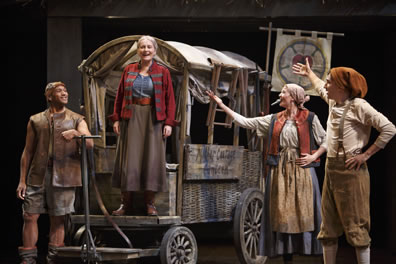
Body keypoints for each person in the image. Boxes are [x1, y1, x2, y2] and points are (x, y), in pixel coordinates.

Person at [207, 83, 327, 263]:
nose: (280, 95)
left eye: (284, 92)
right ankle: (287, 256)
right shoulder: (273, 119)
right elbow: (246, 122)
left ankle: (308, 250)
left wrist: (314, 156)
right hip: (279, 170)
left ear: (293, 97)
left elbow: (326, 141)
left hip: (302, 171)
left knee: (303, 212)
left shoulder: (310, 118)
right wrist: (221, 105)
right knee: (282, 214)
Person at [293, 58, 396, 264]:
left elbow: (389, 129)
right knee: (328, 226)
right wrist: (309, 74)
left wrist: (365, 155)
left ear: (341, 86)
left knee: (357, 225)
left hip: (351, 171)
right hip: (332, 168)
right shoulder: (333, 101)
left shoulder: (360, 106)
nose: (326, 85)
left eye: (330, 81)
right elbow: (320, 87)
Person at [16, 81, 93, 264]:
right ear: (49, 96)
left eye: (65, 90)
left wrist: (76, 133)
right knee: (29, 215)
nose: (65, 93)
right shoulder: (36, 120)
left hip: (65, 175)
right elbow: (27, 151)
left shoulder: (76, 118)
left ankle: (55, 259)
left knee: (58, 218)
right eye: (59, 91)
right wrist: (22, 180)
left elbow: (90, 142)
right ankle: (28, 259)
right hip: (38, 174)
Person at [110, 35, 178, 217]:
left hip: (153, 119)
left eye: (149, 47)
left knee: (152, 159)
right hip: (130, 117)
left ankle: (150, 204)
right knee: (128, 160)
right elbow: (120, 96)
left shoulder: (163, 72)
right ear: (138, 51)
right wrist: (116, 118)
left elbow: (170, 100)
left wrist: (169, 123)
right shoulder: (129, 70)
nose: (145, 50)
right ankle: (125, 204)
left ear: (154, 51)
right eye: (142, 47)